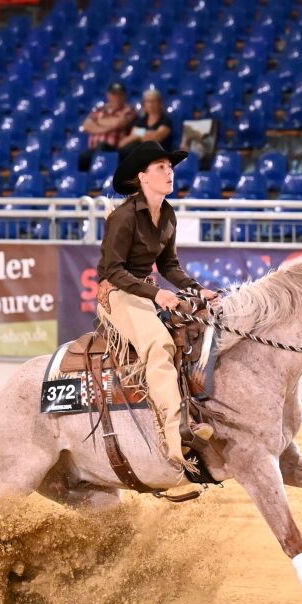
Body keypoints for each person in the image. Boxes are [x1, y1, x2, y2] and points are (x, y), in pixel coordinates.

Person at [96, 141, 219, 469]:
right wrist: (157, 295)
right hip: (117, 294)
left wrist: (196, 289)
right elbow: (111, 271)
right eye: (161, 168)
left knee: (193, 335)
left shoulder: (167, 213)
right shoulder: (123, 217)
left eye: (170, 167)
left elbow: (168, 265)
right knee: (160, 344)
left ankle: (194, 413)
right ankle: (173, 436)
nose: (170, 172)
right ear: (142, 177)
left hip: (145, 292)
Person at [79, 82, 136, 171]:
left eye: (119, 94)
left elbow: (119, 123)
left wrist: (98, 122)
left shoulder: (129, 110)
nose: (116, 97)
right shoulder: (99, 109)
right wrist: (108, 126)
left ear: (124, 96)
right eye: (114, 94)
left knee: (101, 149)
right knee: (82, 157)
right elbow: (86, 125)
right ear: (108, 95)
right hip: (94, 148)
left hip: (113, 148)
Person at [117, 88, 173, 159]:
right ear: (144, 104)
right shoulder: (140, 121)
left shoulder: (165, 120)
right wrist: (147, 133)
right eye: (148, 101)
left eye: (154, 101)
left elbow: (156, 138)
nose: (151, 104)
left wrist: (138, 134)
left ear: (160, 103)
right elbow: (123, 143)